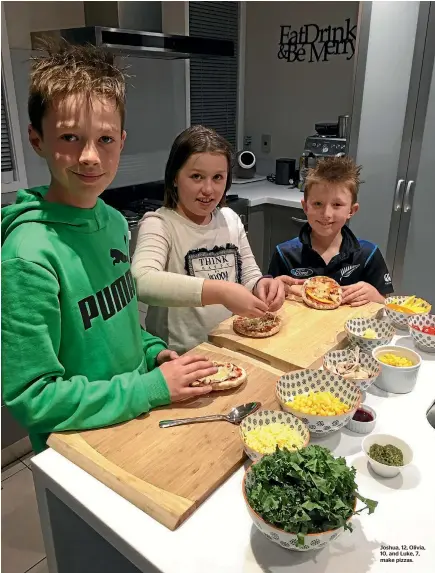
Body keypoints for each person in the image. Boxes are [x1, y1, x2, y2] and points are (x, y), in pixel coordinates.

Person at [1, 41, 217, 454]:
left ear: (121, 140)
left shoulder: (114, 221)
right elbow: (33, 398)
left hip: (132, 421)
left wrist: (153, 353)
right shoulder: (27, 257)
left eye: (104, 139)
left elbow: (115, 324)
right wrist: (148, 389)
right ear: (36, 139)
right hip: (83, 450)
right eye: (69, 137)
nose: (88, 156)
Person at [132, 126, 285, 353]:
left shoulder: (230, 219)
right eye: (196, 176)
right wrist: (222, 291)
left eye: (218, 178)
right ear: (175, 177)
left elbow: (249, 275)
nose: (208, 189)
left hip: (229, 346)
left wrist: (263, 286)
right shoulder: (160, 224)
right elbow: (141, 281)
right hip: (181, 356)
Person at [268, 157, 394, 307]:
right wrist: (274, 290)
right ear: (305, 207)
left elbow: (385, 303)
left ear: (351, 210)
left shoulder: (368, 254)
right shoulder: (284, 254)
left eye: (337, 204)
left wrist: (375, 296)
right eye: (318, 204)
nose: (327, 214)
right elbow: (271, 302)